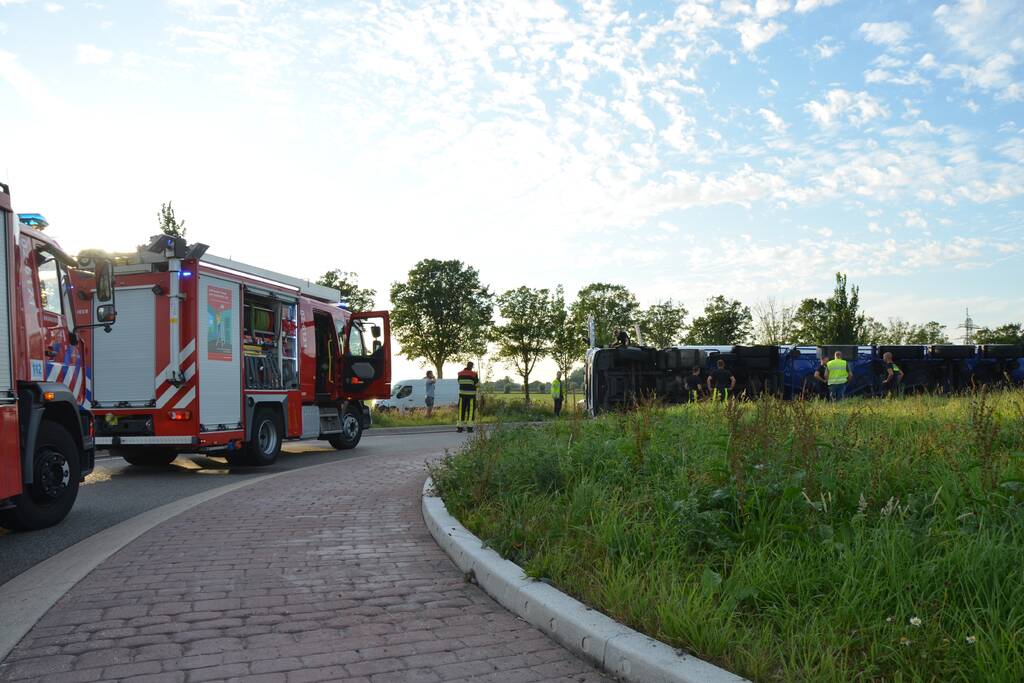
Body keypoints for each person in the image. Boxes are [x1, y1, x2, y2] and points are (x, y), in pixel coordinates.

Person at [456, 361, 479, 432]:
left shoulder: (460, 373)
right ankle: (469, 428)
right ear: (472, 366)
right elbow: (477, 384)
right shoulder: (474, 374)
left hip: (462, 395)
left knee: (461, 410)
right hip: (471, 396)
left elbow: (459, 382)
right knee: (471, 411)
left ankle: (459, 427)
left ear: (466, 365)